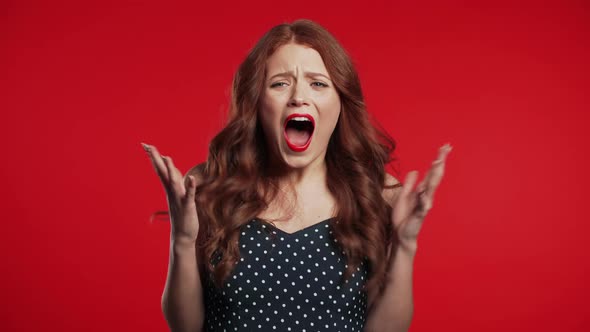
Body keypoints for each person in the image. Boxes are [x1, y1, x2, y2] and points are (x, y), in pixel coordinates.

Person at [142, 19, 452, 332]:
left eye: (318, 83)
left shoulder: (376, 194)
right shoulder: (211, 185)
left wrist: (405, 245)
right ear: (258, 103)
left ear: (340, 102)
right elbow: (185, 326)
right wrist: (182, 240)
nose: (298, 97)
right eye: (280, 83)